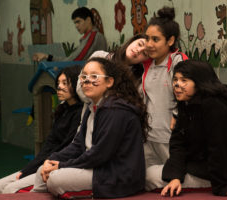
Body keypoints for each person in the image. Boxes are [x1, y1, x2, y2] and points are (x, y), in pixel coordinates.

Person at [31, 57, 149, 198]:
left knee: (55, 179)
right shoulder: (92, 106)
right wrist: (52, 159)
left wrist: (61, 165)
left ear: (109, 82)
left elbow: (99, 154)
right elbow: (78, 145)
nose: (87, 81)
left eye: (94, 76)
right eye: (84, 76)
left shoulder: (115, 110)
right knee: (42, 170)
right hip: (96, 167)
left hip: (116, 176)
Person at [154, 60, 227, 197]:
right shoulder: (187, 105)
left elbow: (218, 149)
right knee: (151, 173)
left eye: (184, 80)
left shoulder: (213, 107)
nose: (177, 85)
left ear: (199, 83)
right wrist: (175, 177)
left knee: (150, 176)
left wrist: (222, 187)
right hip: (196, 166)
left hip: (216, 174)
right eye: (175, 80)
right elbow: (178, 144)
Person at [0, 65, 83, 194]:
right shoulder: (63, 110)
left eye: (65, 83)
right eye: (58, 83)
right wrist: (27, 169)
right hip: (42, 164)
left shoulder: (81, 113)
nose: (59, 87)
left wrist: (30, 170)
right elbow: (49, 145)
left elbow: (65, 148)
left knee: (10, 190)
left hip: (57, 167)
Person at [142, 6, 188, 189]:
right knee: (148, 184)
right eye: (147, 38)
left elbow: (187, 96)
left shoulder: (177, 61)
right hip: (149, 137)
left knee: (173, 182)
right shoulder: (148, 65)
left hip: (170, 139)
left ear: (170, 40)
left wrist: (177, 115)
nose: (149, 44)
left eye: (155, 39)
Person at [32, 7, 107, 62]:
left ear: (88, 20)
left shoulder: (93, 36)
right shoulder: (89, 37)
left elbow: (74, 60)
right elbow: (71, 59)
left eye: (78, 22)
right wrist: (47, 56)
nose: (76, 26)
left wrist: (51, 59)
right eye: (75, 23)